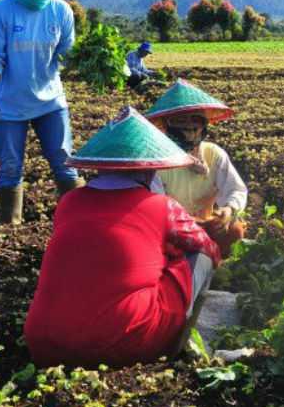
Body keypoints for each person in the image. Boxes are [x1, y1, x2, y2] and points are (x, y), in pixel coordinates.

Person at [24, 106, 222, 368]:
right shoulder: (162, 207)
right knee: (201, 257)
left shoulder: (69, 202)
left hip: (45, 344)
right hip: (127, 343)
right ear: (148, 171)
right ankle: (179, 345)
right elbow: (208, 247)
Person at [0, 0, 82, 224]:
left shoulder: (61, 10)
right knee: (11, 168)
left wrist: (91, 63)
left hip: (50, 102)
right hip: (9, 105)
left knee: (66, 165)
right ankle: (10, 229)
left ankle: (82, 222)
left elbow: (68, 52)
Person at [144, 80, 248, 256]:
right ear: (166, 125)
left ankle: (215, 267)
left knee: (235, 230)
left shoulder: (213, 154)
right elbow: (157, 209)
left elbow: (235, 189)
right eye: (180, 121)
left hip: (207, 224)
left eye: (196, 120)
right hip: (172, 229)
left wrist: (227, 210)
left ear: (203, 126)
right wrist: (189, 223)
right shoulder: (158, 162)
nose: (190, 127)